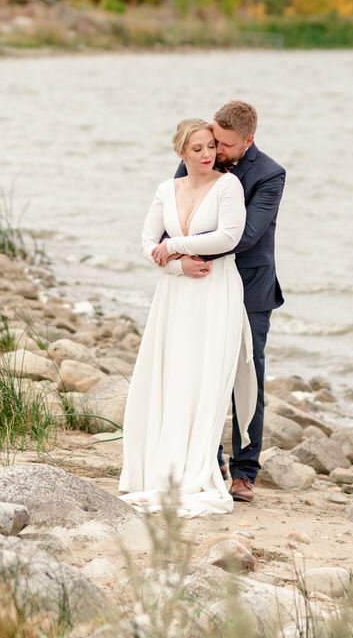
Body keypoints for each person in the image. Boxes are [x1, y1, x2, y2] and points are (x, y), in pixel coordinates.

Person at [119, 119, 257, 517]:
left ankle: (199, 467)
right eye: (197, 148)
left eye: (211, 146)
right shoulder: (167, 189)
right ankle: (161, 465)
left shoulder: (227, 185)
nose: (207, 154)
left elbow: (229, 236)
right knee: (171, 373)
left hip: (216, 290)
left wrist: (175, 244)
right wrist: (177, 266)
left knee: (205, 376)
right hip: (176, 292)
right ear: (181, 152)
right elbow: (147, 243)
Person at [164, 100, 284, 504]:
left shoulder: (269, 175)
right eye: (212, 141)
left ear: (249, 141)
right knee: (201, 371)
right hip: (202, 285)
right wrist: (178, 263)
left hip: (249, 285)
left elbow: (246, 235)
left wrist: (185, 254)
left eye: (225, 146)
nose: (215, 152)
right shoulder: (198, 157)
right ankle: (208, 462)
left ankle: (245, 472)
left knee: (246, 374)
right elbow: (175, 217)